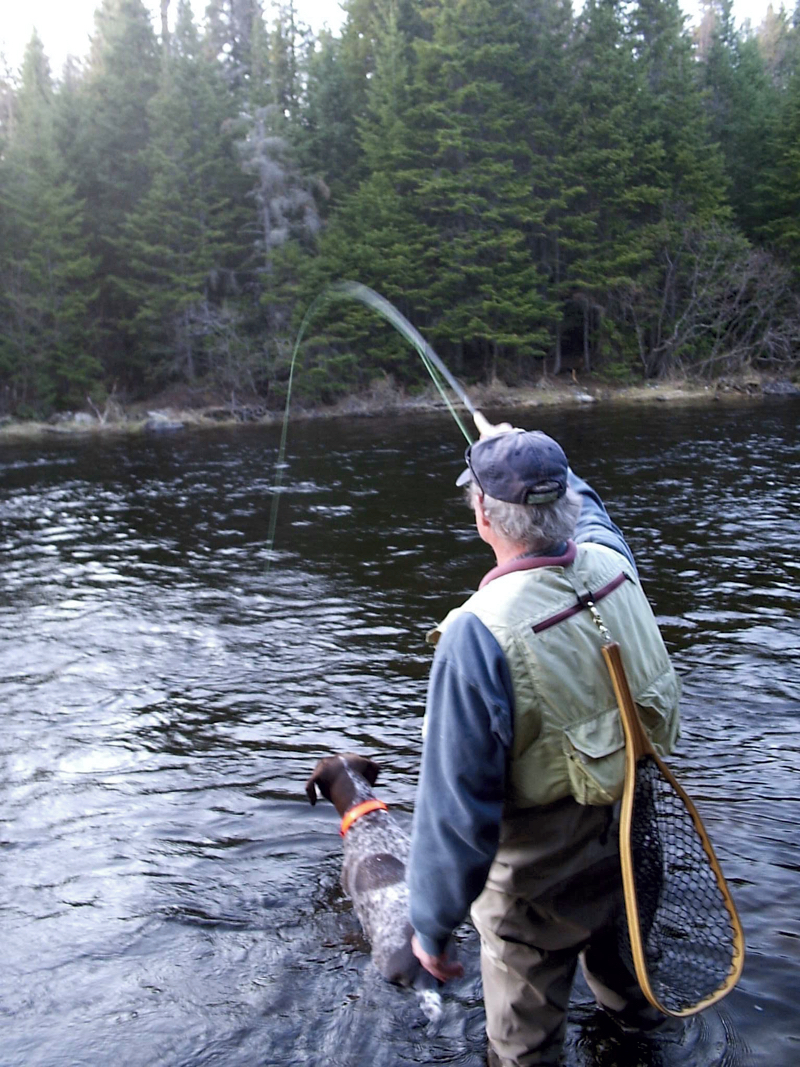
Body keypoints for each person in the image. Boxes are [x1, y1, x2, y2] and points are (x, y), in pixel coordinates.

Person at [407, 427, 681, 1067]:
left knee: (523, 1052)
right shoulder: (614, 564)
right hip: (631, 842)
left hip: (538, 886)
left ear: (482, 514)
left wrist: (431, 922)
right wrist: (527, 449)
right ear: (570, 505)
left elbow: (456, 807)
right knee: (633, 1003)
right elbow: (597, 517)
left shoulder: (475, 633)